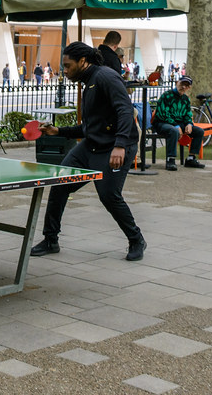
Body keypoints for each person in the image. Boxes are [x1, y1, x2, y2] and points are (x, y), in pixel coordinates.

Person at [30, 42, 146, 262]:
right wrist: (59, 131)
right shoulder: (88, 82)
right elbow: (88, 128)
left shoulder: (105, 77)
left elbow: (124, 110)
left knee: (109, 196)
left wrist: (120, 146)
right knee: (60, 184)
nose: (64, 70)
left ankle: (136, 239)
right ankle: (50, 239)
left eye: (68, 65)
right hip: (91, 144)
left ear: (83, 62)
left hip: (115, 146)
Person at [151, 75, 206, 171]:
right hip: (162, 123)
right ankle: (170, 160)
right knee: (174, 131)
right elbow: (163, 114)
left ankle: (191, 158)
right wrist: (176, 125)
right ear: (177, 83)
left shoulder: (185, 99)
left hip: (179, 124)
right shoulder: (166, 96)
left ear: (189, 88)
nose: (183, 87)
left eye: (186, 85)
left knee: (199, 131)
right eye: (182, 84)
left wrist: (189, 123)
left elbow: (188, 114)